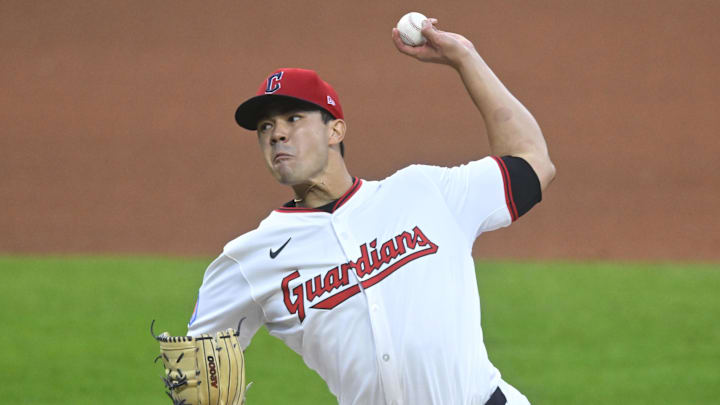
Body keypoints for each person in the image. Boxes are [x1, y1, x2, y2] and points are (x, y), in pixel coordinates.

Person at [187, 18, 555, 405]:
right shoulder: (249, 259)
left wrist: (464, 56)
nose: (277, 134)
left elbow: (533, 162)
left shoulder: (424, 191)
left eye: (293, 119)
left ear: (336, 131)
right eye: (265, 127)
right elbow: (198, 361)